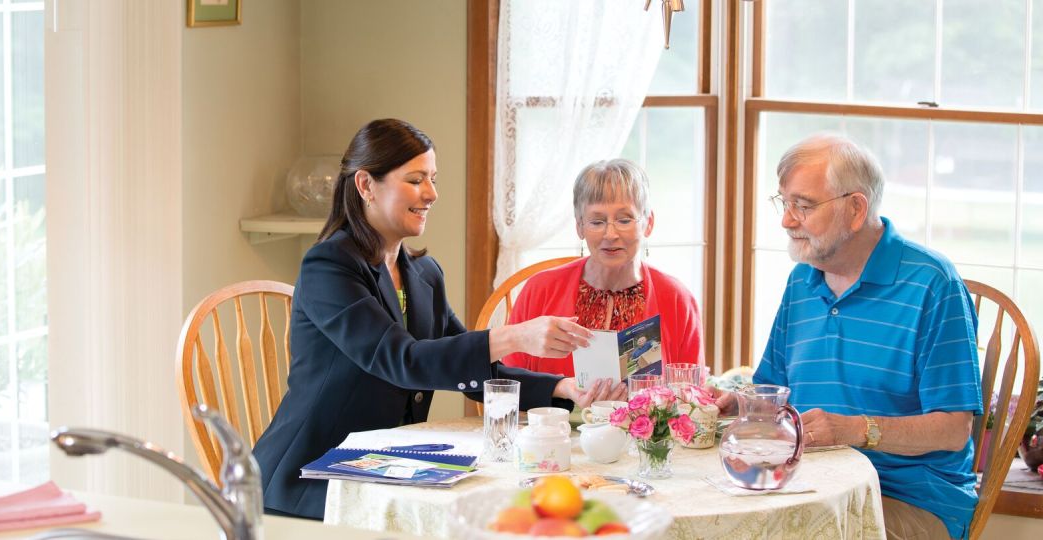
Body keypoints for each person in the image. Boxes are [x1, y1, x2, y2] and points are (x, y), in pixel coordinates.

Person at [252, 119, 627, 520]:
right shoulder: (329, 266)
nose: (431, 194)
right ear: (365, 185)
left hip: (382, 466)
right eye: (415, 180)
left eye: (432, 179)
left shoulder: (425, 273)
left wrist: (563, 387)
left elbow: (468, 371)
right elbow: (403, 362)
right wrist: (513, 336)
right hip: (309, 478)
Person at [716, 134, 981, 539]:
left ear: (856, 209)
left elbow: (952, 429)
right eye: (784, 203)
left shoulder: (931, 285)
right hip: (811, 485)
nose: (787, 220)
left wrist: (855, 430)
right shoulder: (802, 278)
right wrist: (742, 402)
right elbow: (776, 387)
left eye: (803, 206)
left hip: (906, 499)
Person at [502, 159, 703, 376]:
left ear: (648, 223)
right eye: (597, 222)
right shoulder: (539, 290)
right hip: (553, 411)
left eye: (624, 220)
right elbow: (509, 384)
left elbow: (691, 393)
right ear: (580, 227)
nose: (610, 235)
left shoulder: (677, 298)